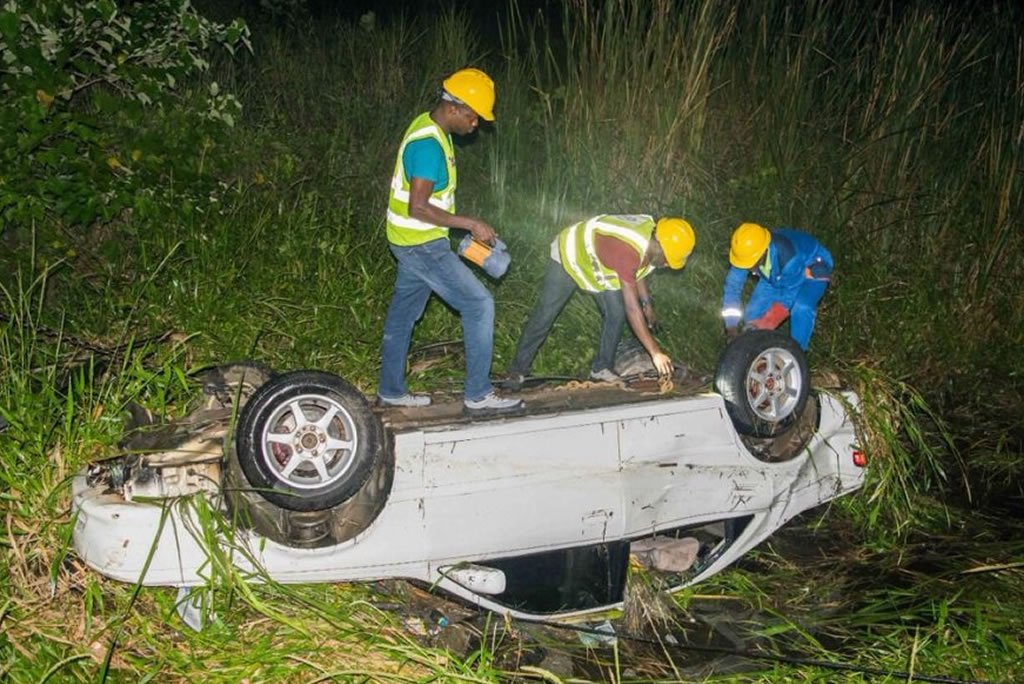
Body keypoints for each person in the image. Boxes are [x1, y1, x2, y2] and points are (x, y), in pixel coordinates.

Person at [378, 67, 523, 414]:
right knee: (479, 304)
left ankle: (391, 390)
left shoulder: (429, 128)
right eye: (473, 116)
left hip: (408, 240)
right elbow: (418, 206)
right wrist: (469, 223)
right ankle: (478, 394)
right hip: (421, 243)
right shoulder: (429, 146)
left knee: (402, 316)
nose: (477, 124)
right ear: (454, 108)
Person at [506, 214, 695, 386]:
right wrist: (655, 352)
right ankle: (517, 372)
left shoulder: (650, 238)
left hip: (598, 266)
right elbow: (632, 309)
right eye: (668, 259)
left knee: (616, 312)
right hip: (569, 255)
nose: (667, 265)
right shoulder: (627, 251)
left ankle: (601, 369)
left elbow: (639, 270)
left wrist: (647, 304)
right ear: (659, 246)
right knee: (545, 315)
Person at [720, 222, 833, 351]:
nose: (748, 269)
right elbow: (732, 288)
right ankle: (758, 356)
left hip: (812, 264)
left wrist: (766, 323)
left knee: (801, 307)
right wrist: (731, 328)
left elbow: (787, 298)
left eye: (750, 265)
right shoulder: (744, 254)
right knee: (752, 316)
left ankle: (797, 353)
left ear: (762, 253)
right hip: (775, 272)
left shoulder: (788, 257)